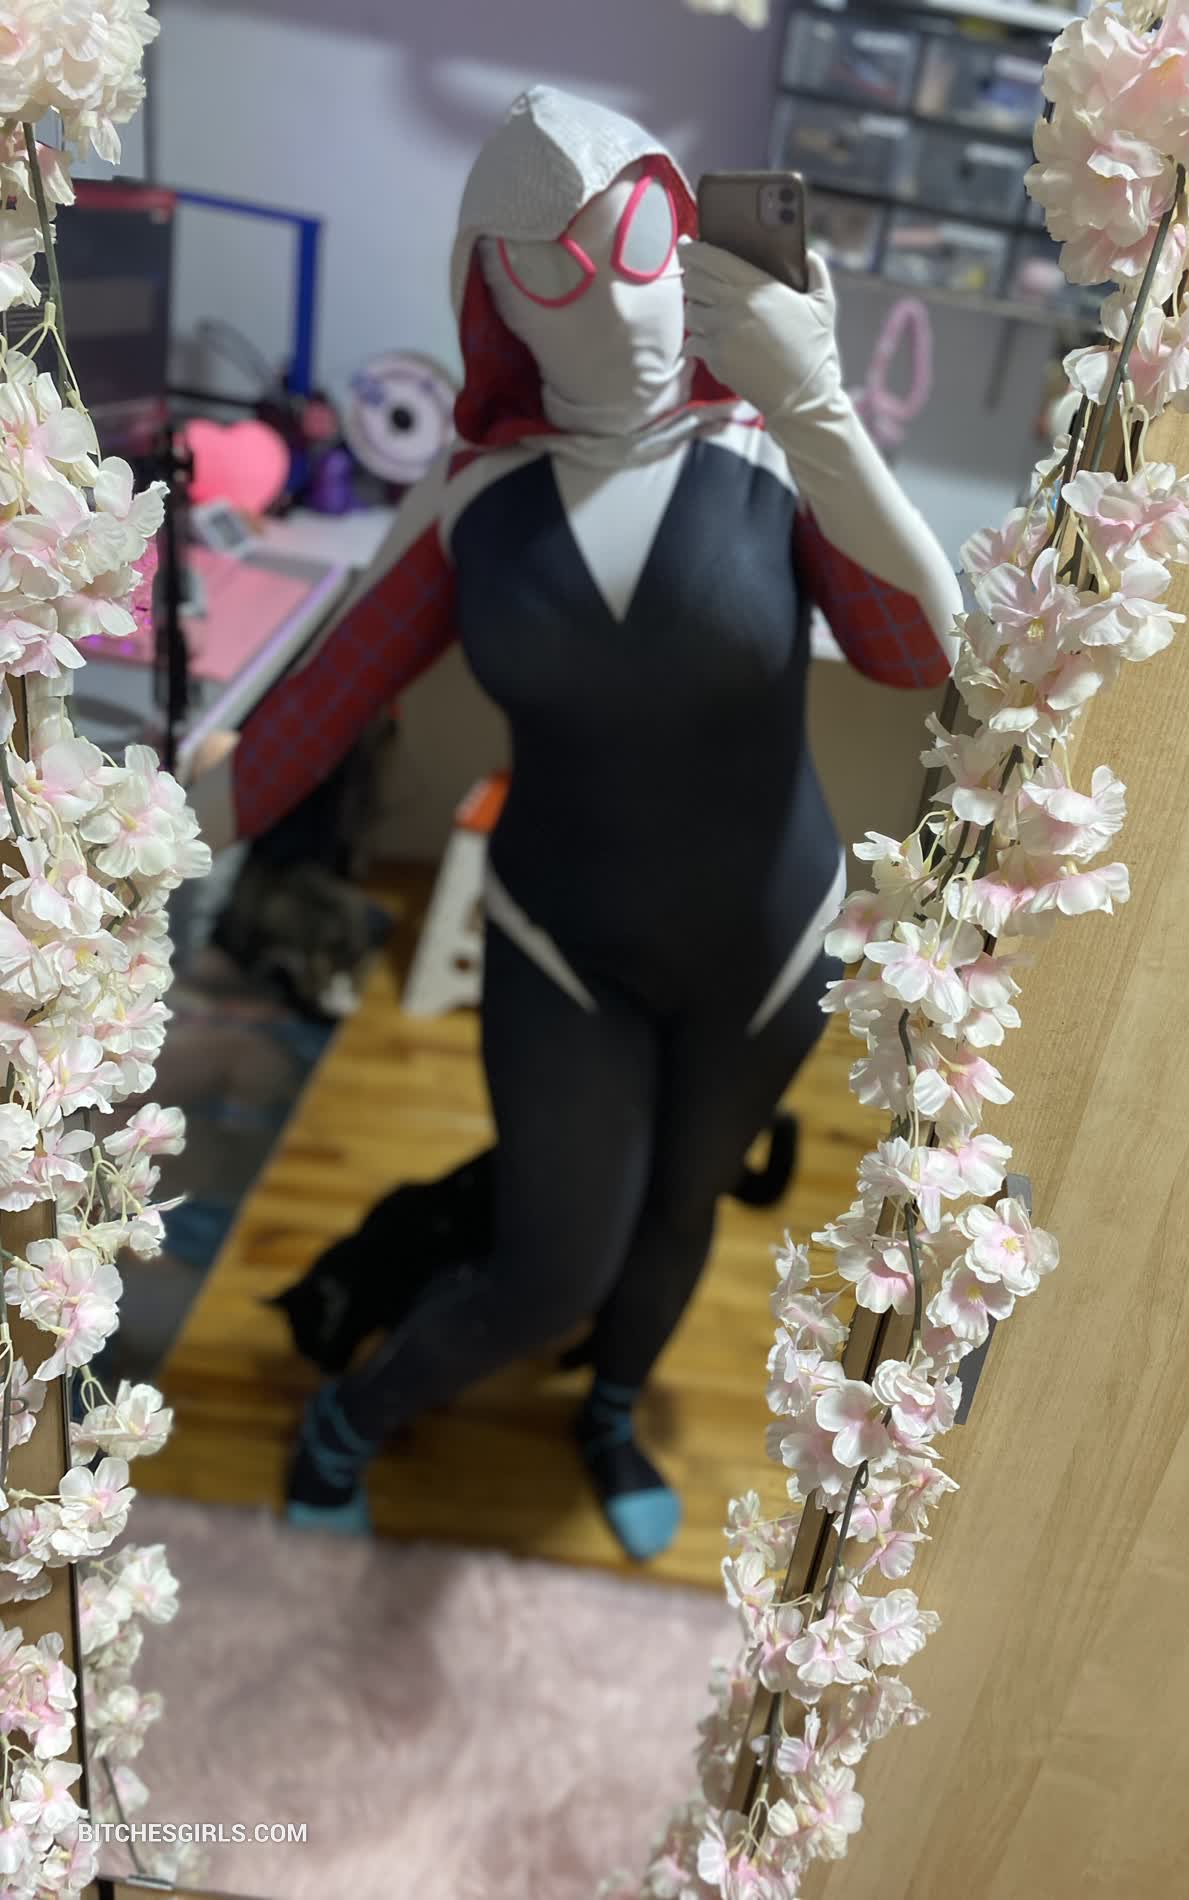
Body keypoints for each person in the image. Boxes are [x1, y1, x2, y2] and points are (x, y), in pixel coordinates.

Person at [187, 86, 960, 1560]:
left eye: (639, 239)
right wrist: (107, 849)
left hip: (771, 942)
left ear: (689, 230)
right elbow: (314, 713)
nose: (607, 292)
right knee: (551, 1265)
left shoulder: (768, 444)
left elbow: (919, 654)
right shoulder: (475, 493)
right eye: (551, 267)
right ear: (491, 294)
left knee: (679, 1218)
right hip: (559, 942)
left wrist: (814, 402)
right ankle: (351, 1415)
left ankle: (609, 1412)